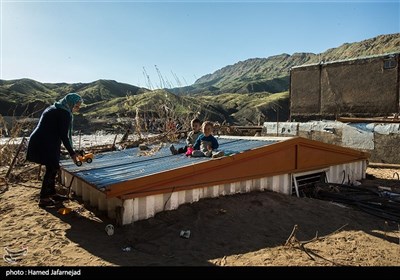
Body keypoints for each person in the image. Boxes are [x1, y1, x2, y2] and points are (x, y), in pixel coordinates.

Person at [26, 93, 82, 207]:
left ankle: (51, 193)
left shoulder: (55, 107)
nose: (78, 108)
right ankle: (44, 199)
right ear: (70, 103)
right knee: (52, 168)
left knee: (52, 167)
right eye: (76, 105)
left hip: (42, 140)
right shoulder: (64, 113)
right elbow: (63, 135)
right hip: (45, 142)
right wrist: (72, 153)